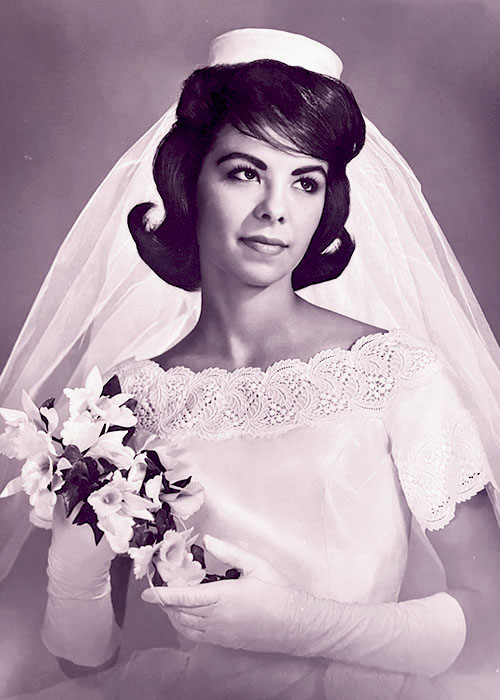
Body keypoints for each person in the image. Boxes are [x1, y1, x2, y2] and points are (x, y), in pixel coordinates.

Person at [2, 28, 500, 700]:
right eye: (244, 172)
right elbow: (84, 662)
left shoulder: (392, 374)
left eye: (306, 181)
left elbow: (492, 618)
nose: (275, 211)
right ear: (189, 180)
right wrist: (75, 569)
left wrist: (304, 625)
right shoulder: (125, 396)